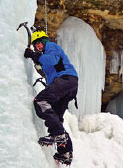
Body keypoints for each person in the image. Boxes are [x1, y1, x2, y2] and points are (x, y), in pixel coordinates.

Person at [24, 30, 78, 165]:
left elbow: (52, 59)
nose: (38, 47)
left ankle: (59, 135)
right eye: (36, 45)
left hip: (65, 80)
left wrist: (33, 55)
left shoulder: (51, 46)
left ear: (44, 41)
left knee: (41, 101)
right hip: (68, 84)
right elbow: (51, 66)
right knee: (55, 117)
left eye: (39, 43)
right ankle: (65, 152)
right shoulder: (46, 52)